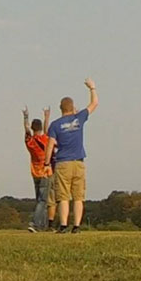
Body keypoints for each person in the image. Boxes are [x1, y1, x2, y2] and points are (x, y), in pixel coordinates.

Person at [44, 78, 98, 233]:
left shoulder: (55, 125)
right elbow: (94, 104)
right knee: (78, 196)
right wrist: (92, 88)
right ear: (73, 107)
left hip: (63, 163)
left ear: (60, 109)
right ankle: (76, 226)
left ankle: (63, 225)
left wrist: (47, 163)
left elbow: (50, 146)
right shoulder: (79, 118)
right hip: (78, 162)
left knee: (63, 197)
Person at [23, 105, 52, 232]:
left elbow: (26, 129)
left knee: (39, 201)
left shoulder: (29, 141)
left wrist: (25, 116)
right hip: (45, 172)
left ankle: (41, 226)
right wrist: (46, 117)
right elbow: (47, 132)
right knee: (43, 201)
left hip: (34, 172)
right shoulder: (45, 140)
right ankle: (34, 223)